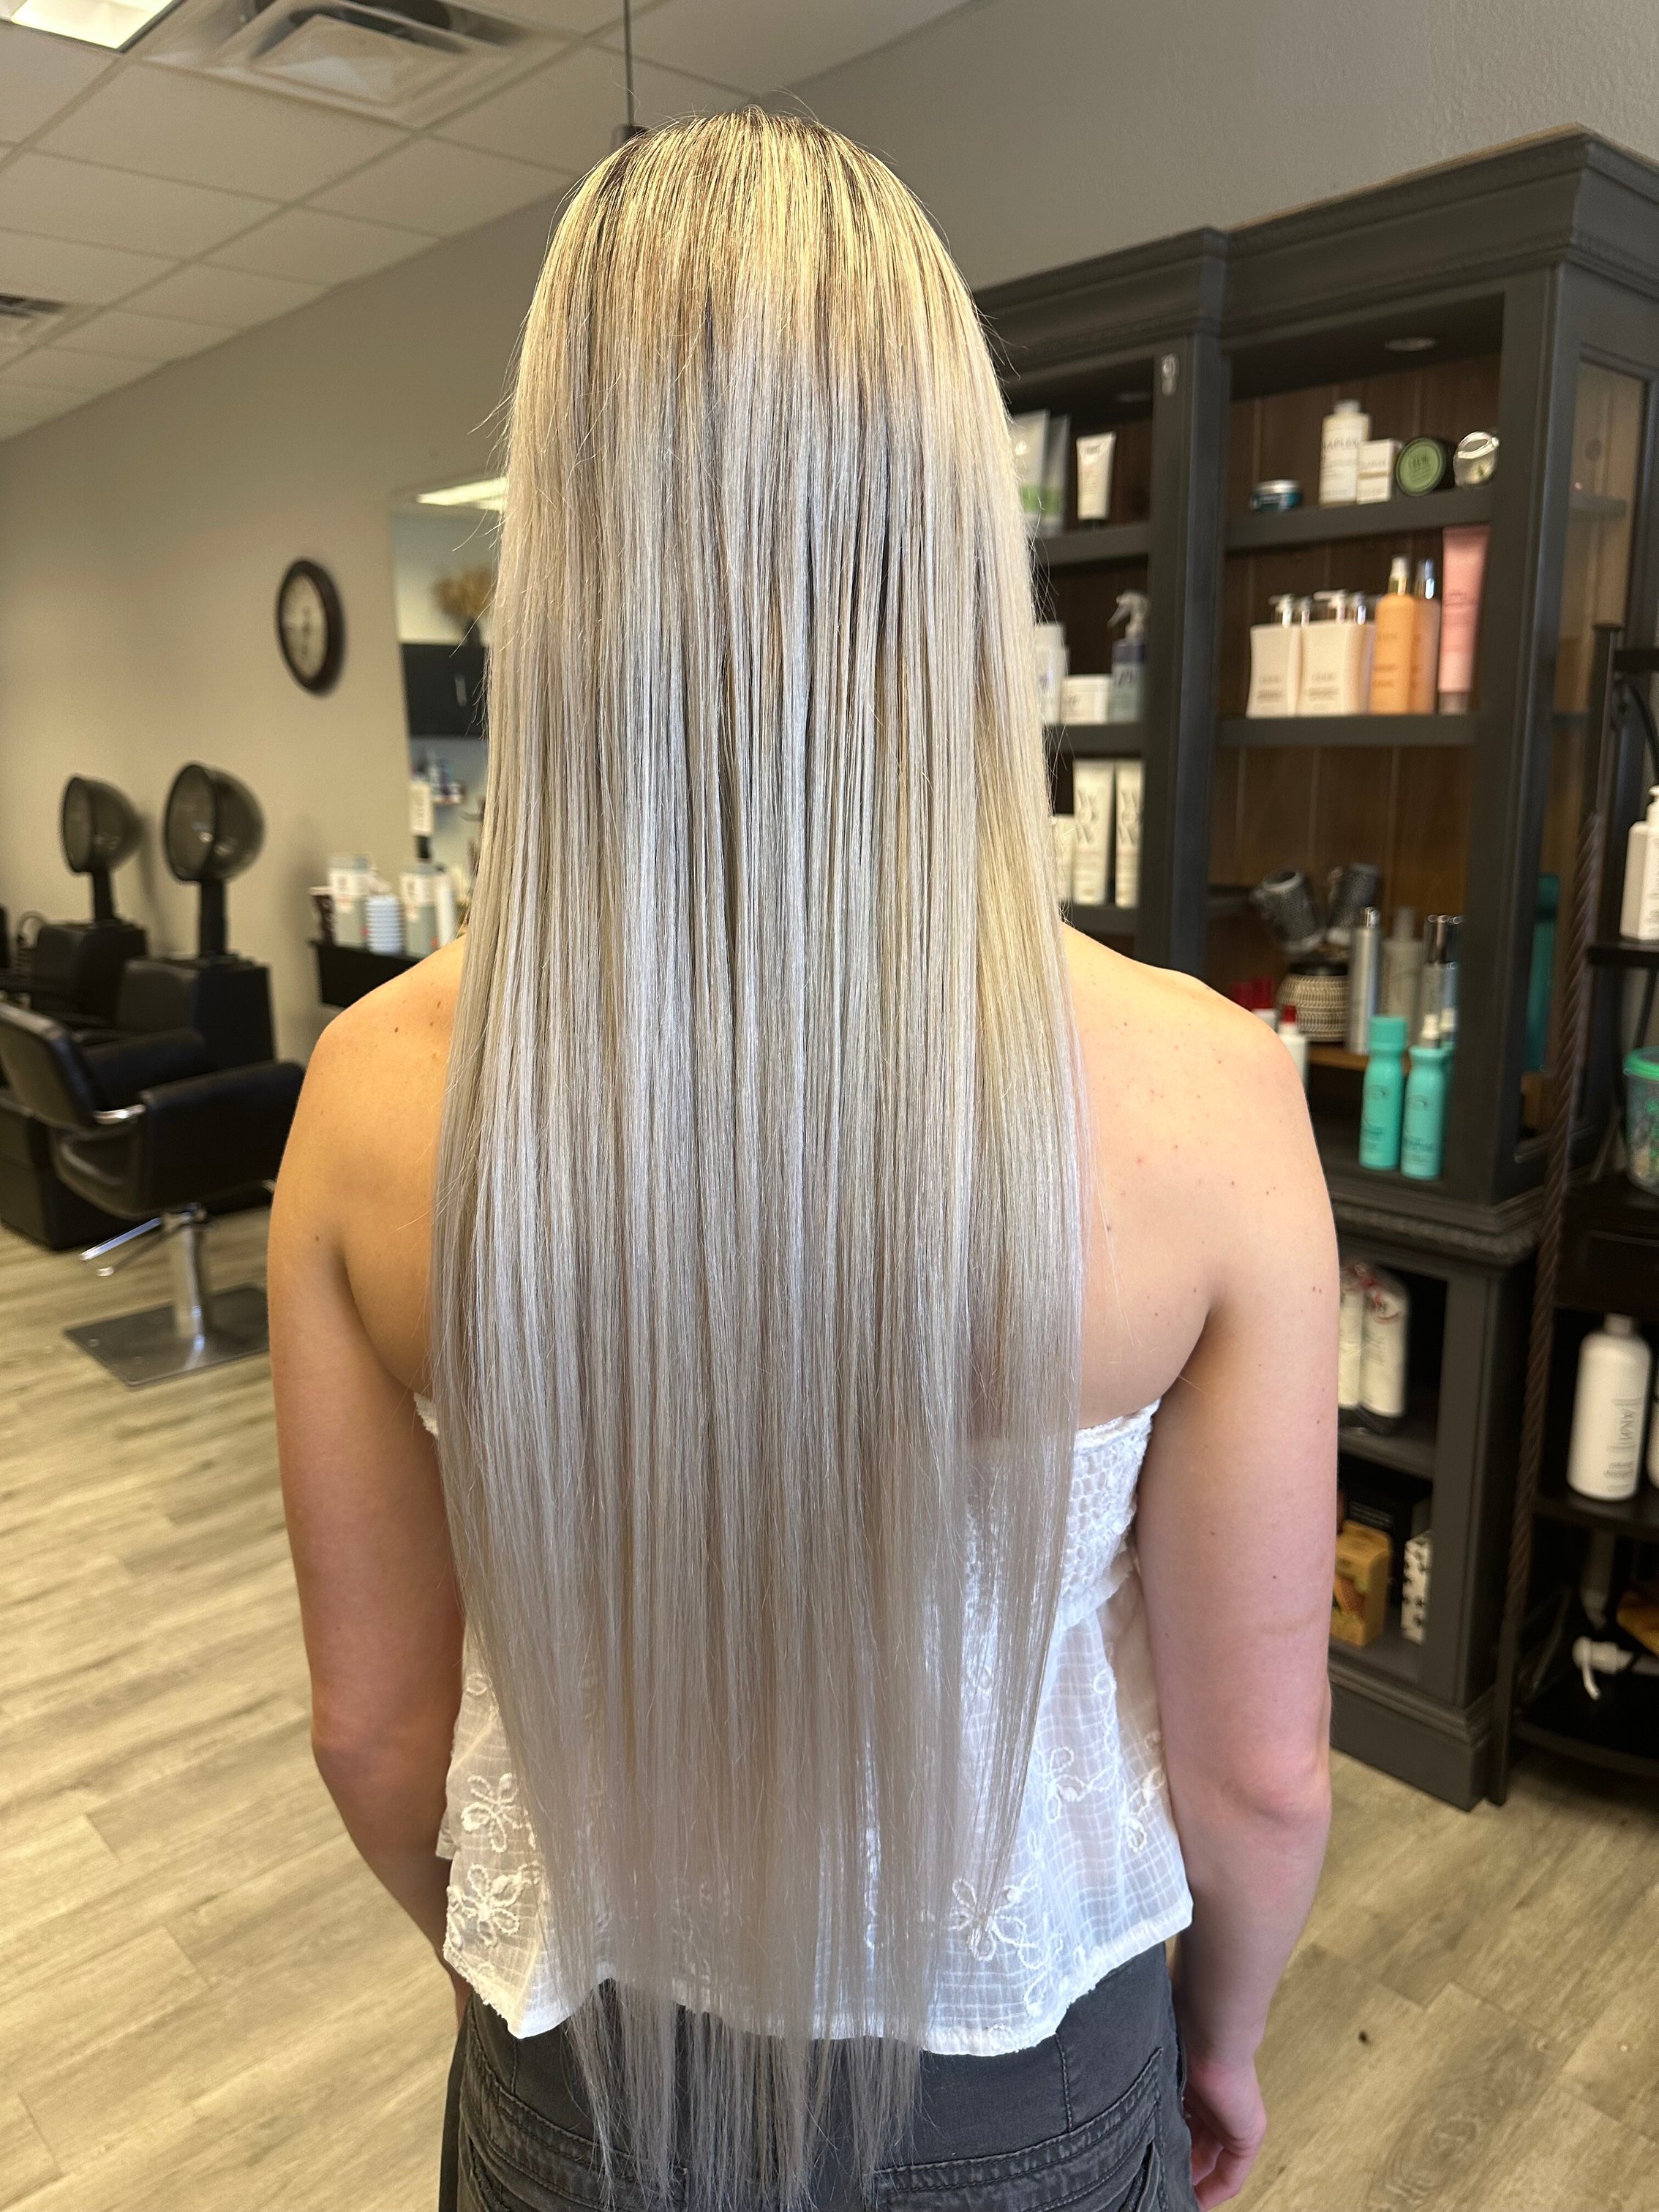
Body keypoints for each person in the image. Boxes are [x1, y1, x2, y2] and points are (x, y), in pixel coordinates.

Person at [270, 110, 1335, 2212]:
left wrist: (515, 1996)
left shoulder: (374, 1102)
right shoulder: (1203, 1101)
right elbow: (1257, 1773)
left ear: (566, 547)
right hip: (1019, 2085)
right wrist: (1221, 2051)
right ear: (949, 538)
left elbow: (372, 1740)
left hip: (579, 2072)